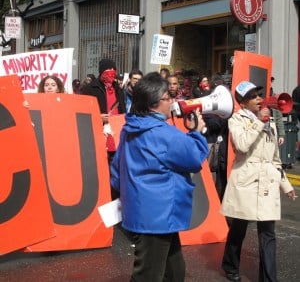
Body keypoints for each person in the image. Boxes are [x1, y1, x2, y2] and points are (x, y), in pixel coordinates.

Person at [110, 72, 209, 282]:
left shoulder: (130, 129)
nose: (171, 102)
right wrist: (196, 132)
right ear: (154, 103)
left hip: (147, 213)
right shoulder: (163, 133)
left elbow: (117, 172)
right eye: (167, 98)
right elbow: (194, 157)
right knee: (148, 275)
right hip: (159, 214)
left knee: (174, 271)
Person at [221, 81, 296, 282]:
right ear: (243, 102)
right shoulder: (236, 120)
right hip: (246, 183)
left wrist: (286, 185)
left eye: (258, 95)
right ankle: (230, 265)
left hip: (267, 185)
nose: (259, 99)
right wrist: (259, 122)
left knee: (268, 233)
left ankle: (269, 278)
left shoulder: (268, 121)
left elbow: (275, 158)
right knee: (239, 229)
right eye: (253, 96)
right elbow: (243, 145)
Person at [81, 58, 126, 162]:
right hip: (99, 134)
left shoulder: (118, 89)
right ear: (101, 71)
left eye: (113, 69)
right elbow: (83, 113)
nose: (111, 71)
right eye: (108, 69)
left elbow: (122, 110)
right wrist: (97, 117)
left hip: (116, 134)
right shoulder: (90, 89)